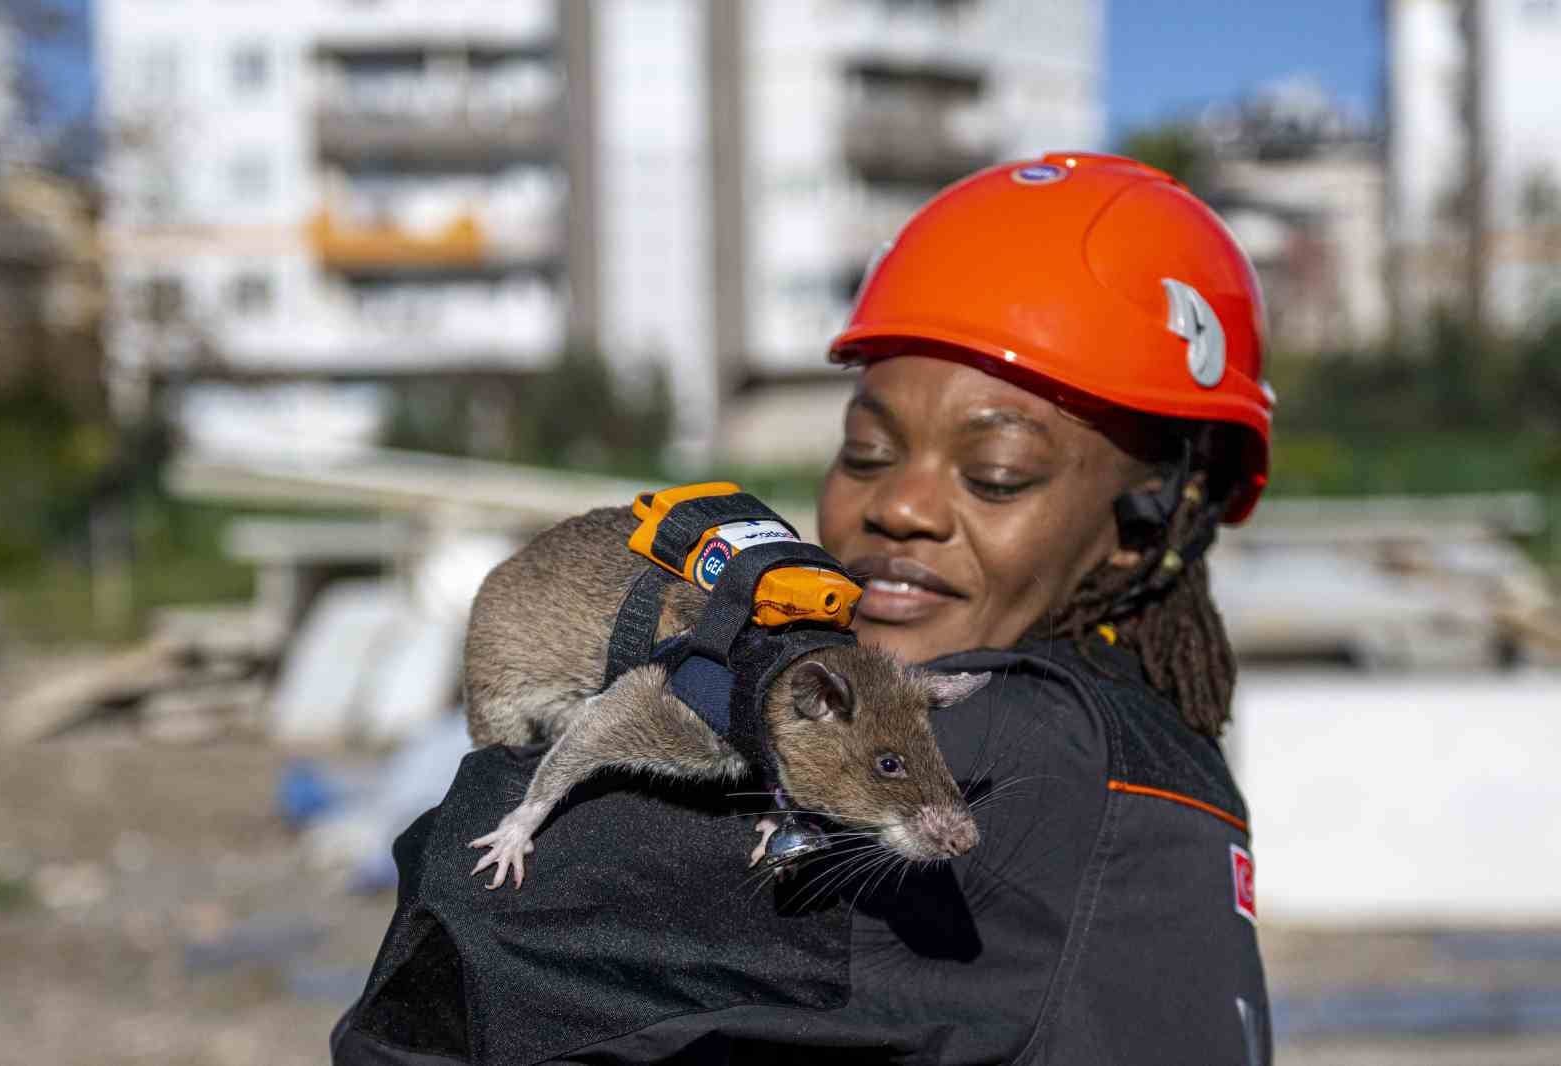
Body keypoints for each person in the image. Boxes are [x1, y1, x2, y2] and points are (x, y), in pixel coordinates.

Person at [332, 152, 1276, 1065]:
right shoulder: (1157, 757)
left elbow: (454, 944)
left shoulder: (1011, 746)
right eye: (864, 452)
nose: (899, 505)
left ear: (1156, 516)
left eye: (997, 474)